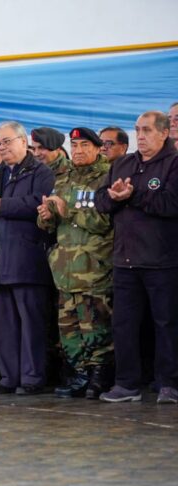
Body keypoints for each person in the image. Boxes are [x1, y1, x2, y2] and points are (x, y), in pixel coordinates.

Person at [94, 111, 178, 403]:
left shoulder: (174, 163)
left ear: (164, 133)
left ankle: (168, 383)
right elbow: (100, 201)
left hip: (163, 260)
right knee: (124, 324)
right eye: (137, 130)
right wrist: (115, 197)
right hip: (125, 260)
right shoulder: (123, 163)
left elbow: (171, 203)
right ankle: (126, 383)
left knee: (166, 323)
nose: (140, 136)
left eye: (147, 130)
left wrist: (132, 196)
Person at [0, 121, 55, 395]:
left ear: (23, 141)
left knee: (31, 324)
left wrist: (3, 205)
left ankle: (32, 377)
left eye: (6, 141)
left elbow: (39, 203)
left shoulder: (41, 171)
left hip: (27, 258)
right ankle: (8, 376)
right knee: (3, 325)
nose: (2, 147)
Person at [38, 127, 113, 399]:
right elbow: (50, 224)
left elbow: (105, 222)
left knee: (95, 326)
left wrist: (66, 211)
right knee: (69, 331)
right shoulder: (64, 177)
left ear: (97, 148)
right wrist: (46, 215)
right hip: (65, 270)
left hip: (93, 268)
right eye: (75, 145)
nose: (79, 151)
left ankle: (99, 377)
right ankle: (80, 375)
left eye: (84, 146)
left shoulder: (106, 177)